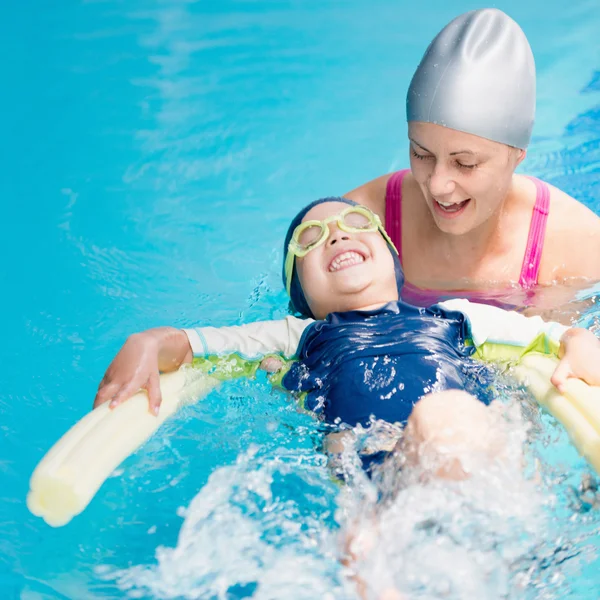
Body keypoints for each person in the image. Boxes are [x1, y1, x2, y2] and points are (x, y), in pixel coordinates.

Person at [94, 197, 600, 480]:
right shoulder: (299, 334)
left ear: (391, 258)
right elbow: (193, 344)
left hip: (472, 446)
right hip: (371, 468)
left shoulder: (459, 317)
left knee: (446, 419)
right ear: (303, 296)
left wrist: (579, 341)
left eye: (355, 223)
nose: (336, 235)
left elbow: (555, 339)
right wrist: (144, 342)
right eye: (310, 240)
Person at [345, 9, 600, 310]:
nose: (438, 185)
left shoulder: (580, 248)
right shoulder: (360, 225)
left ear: (518, 155)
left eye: (465, 163)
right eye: (421, 153)